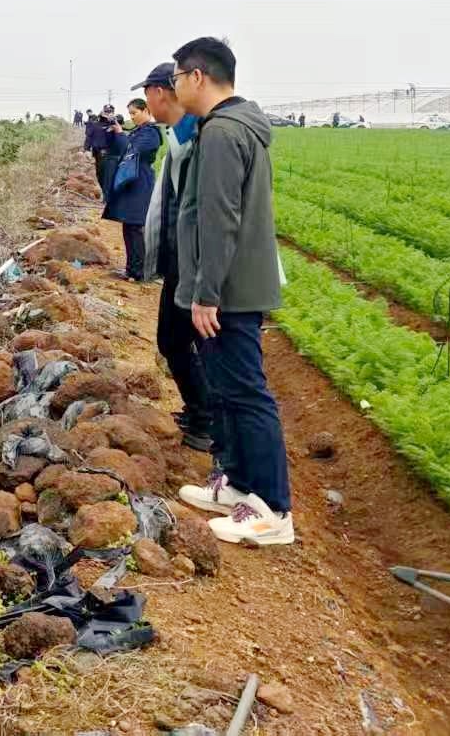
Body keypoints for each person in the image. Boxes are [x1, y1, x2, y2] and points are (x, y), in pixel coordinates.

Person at [171, 37, 293, 546]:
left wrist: (206, 292)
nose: (175, 85)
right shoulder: (232, 127)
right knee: (227, 389)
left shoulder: (223, 133)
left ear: (197, 76)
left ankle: (274, 512)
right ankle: (239, 487)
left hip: (230, 291)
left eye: (177, 76)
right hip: (233, 287)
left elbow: (219, 218)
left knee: (246, 394)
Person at [136, 63, 210, 451]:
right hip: (181, 256)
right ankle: (201, 412)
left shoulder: (198, 135)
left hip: (194, 260)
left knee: (181, 340)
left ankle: (205, 419)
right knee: (176, 339)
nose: (147, 101)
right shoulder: (179, 135)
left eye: (148, 92)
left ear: (159, 92)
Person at [102, 97, 161, 281]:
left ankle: (141, 272)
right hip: (132, 182)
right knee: (128, 225)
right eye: (130, 114)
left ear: (146, 111)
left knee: (136, 226)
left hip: (141, 182)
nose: (132, 117)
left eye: (134, 113)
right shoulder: (139, 131)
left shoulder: (151, 133)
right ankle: (130, 269)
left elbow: (131, 149)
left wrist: (120, 134)